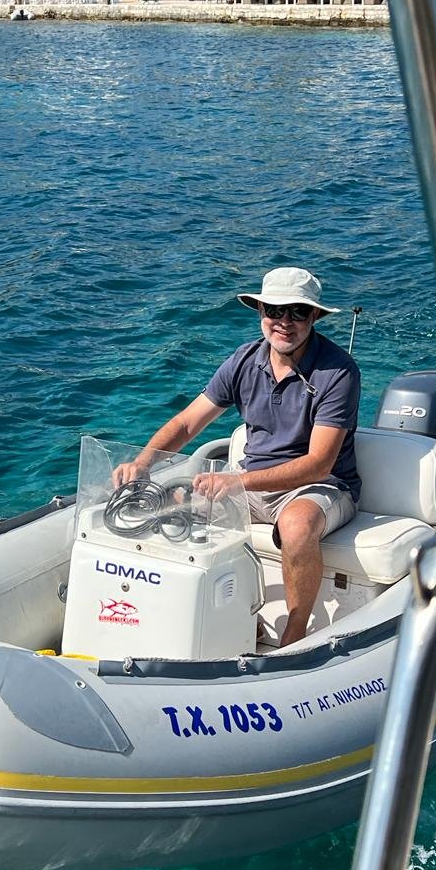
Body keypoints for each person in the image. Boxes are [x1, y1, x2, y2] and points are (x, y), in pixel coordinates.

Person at [113, 267, 361, 648]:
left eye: (297, 312)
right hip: (251, 481)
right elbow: (187, 422)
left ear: (314, 316)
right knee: (172, 507)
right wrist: (143, 462)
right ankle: (239, 618)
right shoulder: (244, 360)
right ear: (259, 310)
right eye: (274, 311)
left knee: (296, 526)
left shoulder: (338, 371)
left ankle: (292, 639)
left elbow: (320, 463)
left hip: (319, 486)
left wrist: (237, 482)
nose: (284, 322)